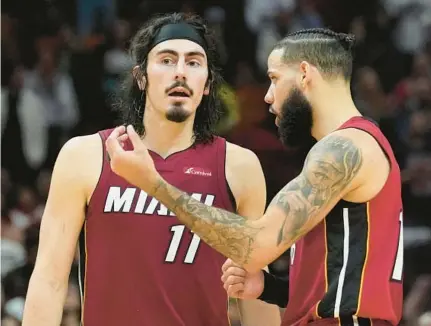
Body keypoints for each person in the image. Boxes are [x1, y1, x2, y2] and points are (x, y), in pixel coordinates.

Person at [105, 28, 403, 326]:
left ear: (304, 74)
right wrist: (268, 288)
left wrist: (153, 183)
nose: (268, 96)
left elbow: (254, 247)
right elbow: (343, 282)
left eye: (274, 79)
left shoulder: (342, 149)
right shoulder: (358, 143)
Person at [22, 13, 281, 326]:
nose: (180, 73)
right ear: (140, 77)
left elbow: (252, 287)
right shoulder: (86, 156)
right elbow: (49, 279)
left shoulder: (239, 166)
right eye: (167, 60)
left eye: (194, 62)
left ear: (208, 84)